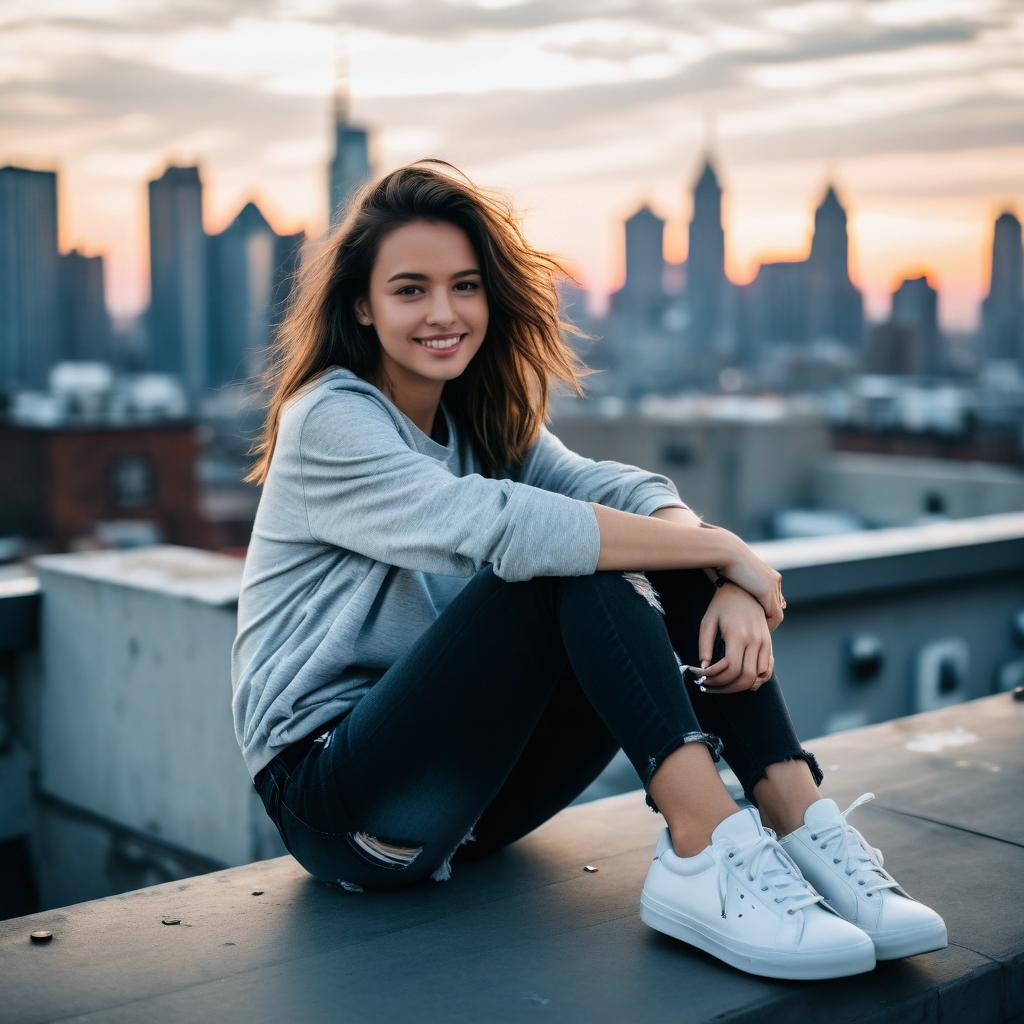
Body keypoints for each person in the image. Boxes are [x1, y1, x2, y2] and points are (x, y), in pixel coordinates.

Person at [231, 159, 946, 981]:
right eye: (410, 290)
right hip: (336, 803)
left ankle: (797, 819)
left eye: (464, 286)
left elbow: (616, 491)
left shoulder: (480, 416)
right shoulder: (329, 417)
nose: (444, 313)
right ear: (361, 304)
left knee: (632, 538)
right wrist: (723, 553)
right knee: (565, 563)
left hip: (472, 804)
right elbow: (507, 528)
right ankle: (705, 848)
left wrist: (717, 568)